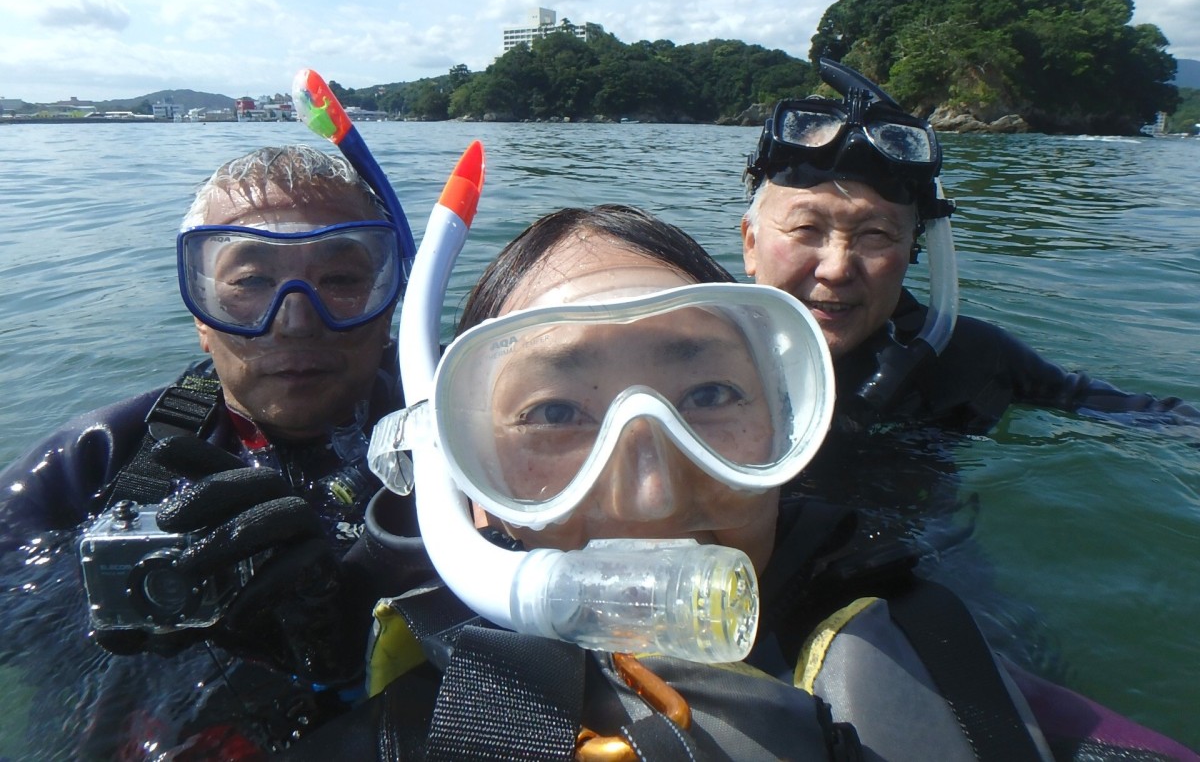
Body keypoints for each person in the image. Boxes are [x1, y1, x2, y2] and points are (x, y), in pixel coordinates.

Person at [288, 204, 1197, 761]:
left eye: (711, 394)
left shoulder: (929, 666)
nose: (654, 498)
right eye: (558, 414)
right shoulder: (388, 727)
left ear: (789, 427)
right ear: (469, 484)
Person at [0, 145, 432, 759]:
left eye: (341, 280)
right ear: (201, 315)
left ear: (390, 300)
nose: (295, 321)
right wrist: (145, 600)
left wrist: (356, 606)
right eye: (251, 282)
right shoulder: (95, 459)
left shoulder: (460, 450)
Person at [740, 58, 1199, 437]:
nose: (837, 269)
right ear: (751, 244)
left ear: (915, 250)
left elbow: (1150, 416)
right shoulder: (690, 348)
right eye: (806, 229)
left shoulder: (966, 357)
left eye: (876, 235)